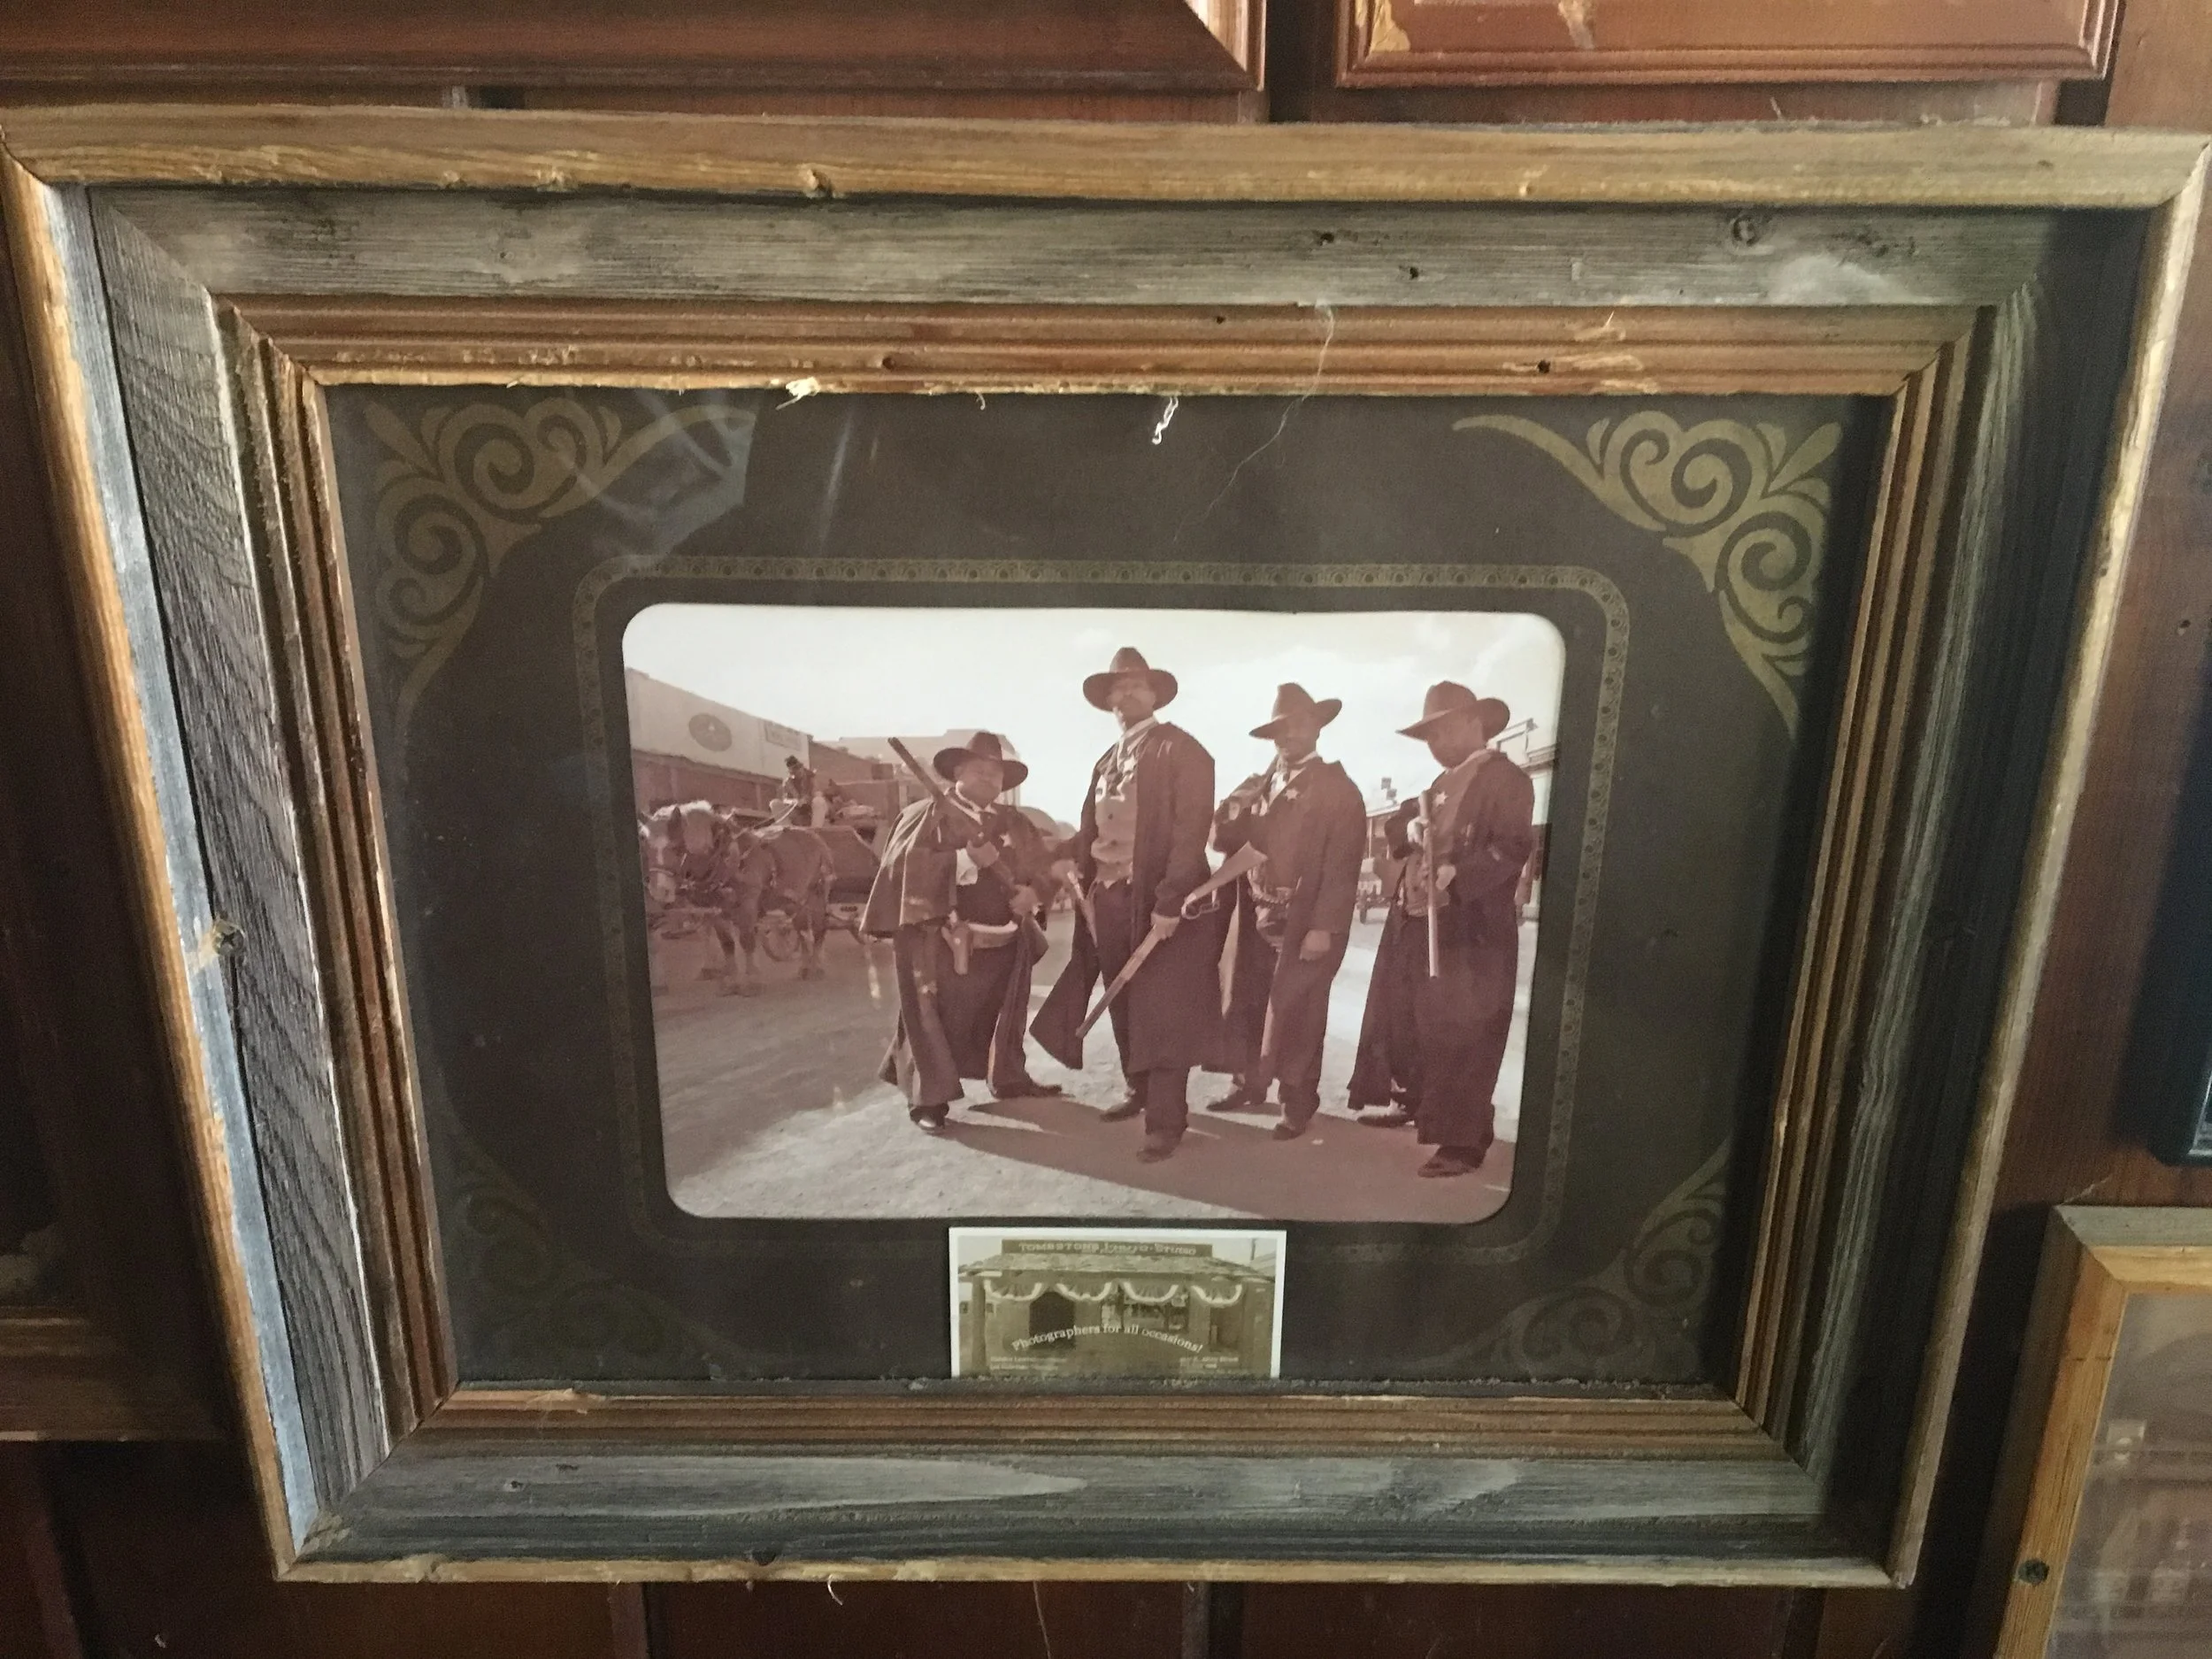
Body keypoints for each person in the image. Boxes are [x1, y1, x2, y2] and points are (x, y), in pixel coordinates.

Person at [1033, 648, 1225, 1163]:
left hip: (1159, 903)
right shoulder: (1106, 761)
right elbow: (1091, 831)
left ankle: (1166, 1122)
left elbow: (1190, 834)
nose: (1127, 695)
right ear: (1109, 703)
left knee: (1162, 1009)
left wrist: (1170, 900)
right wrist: (1062, 859)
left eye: (1137, 686)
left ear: (1155, 694)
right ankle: (1138, 1091)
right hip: (1108, 900)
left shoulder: (1182, 750)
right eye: (1118, 689)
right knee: (1122, 999)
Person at [1348, 681, 1536, 1178]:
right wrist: (1410, 828)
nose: (1436, 742)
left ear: (1476, 723)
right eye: (1429, 735)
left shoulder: (1506, 779)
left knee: (1463, 1033)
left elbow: (1513, 848)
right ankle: (1415, 1102)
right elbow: (1399, 825)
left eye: (1445, 729)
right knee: (1411, 1020)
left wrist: (1459, 875)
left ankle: (1463, 1142)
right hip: (1415, 921)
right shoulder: (1438, 784)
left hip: (1470, 933)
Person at [862, 732, 1062, 1131]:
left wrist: (1034, 893)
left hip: (1005, 938)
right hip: (942, 941)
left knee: (1004, 1014)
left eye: (996, 773)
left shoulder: (1015, 822)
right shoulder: (924, 815)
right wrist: (963, 859)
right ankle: (928, 1103)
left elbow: (1045, 867)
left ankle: (1008, 1077)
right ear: (957, 773)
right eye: (979, 770)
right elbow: (900, 868)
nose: (989, 778)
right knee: (931, 1017)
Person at [1206, 683, 1368, 1140]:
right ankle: (1247, 1082)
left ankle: (1296, 1102)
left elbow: (1343, 864)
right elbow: (1221, 843)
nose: (1289, 735)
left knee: (1299, 1011)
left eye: (1299, 725)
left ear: (1317, 728)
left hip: (1303, 918)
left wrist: (1324, 927)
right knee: (1247, 999)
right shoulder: (1257, 785)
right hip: (1254, 912)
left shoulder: (1338, 789)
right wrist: (1232, 808)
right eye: (1280, 729)